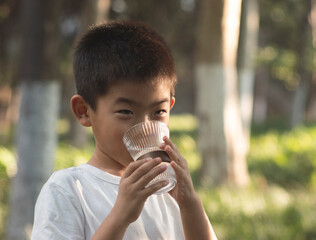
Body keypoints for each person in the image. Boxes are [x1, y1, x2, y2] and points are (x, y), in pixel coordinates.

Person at [31, 21, 217, 240]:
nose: (144, 127)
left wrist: (190, 204)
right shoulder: (69, 190)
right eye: (126, 112)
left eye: (159, 112)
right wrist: (120, 216)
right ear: (84, 111)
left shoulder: (169, 191)